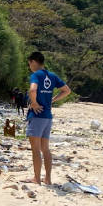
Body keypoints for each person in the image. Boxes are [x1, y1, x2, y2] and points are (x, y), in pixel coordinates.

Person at [24, 51, 71, 185]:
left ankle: (37, 179)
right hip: (47, 116)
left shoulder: (36, 75)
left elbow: (32, 90)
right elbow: (67, 90)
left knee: (35, 149)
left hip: (37, 116)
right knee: (45, 149)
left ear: (33, 61)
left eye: (29, 64)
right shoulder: (52, 76)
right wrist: (53, 100)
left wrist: (34, 103)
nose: (30, 66)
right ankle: (48, 179)